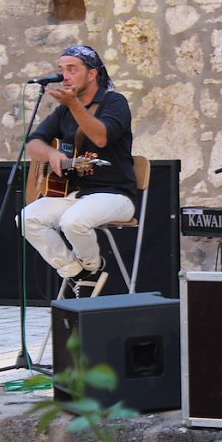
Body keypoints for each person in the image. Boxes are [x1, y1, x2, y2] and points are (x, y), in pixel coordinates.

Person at [21, 45, 139, 296]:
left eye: (72, 69)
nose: (65, 75)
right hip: (75, 195)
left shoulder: (114, 102)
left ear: (92, 74)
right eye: (62, 69)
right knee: (26, 218)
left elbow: (102, 138)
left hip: (115, 194)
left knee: (72, 222)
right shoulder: (64, 110)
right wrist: (51, 154)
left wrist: (75, 105)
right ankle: (77, 272)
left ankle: (93, 267)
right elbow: (33, 143)